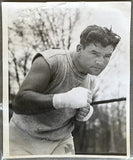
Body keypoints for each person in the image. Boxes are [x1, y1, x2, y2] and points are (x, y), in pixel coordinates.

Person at [9, 25, 120, 155]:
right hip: (24, 137)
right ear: (79, 49)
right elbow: (19, 102)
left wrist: (82, 113)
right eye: (94, 53)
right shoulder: (51, 61)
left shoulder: (91, 79)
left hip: (60, 141)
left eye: (107, 56)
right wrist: (62, 99)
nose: (100, 62)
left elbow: (69, 116)